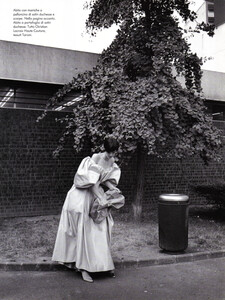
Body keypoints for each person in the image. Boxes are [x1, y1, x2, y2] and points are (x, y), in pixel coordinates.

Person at [52, 137, 125, 283]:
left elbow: (105, 180)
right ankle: (83, 268)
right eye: (109, 152)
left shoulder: (111, 161)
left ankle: (103, 265)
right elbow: (91, 183)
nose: (111, 155)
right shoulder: (94, 158)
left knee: (102, 228)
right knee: (84, 229)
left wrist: (113, 188)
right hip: (82, 196)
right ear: (104, 148)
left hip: (96, 195)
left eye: (114, 152)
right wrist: (101, 199)